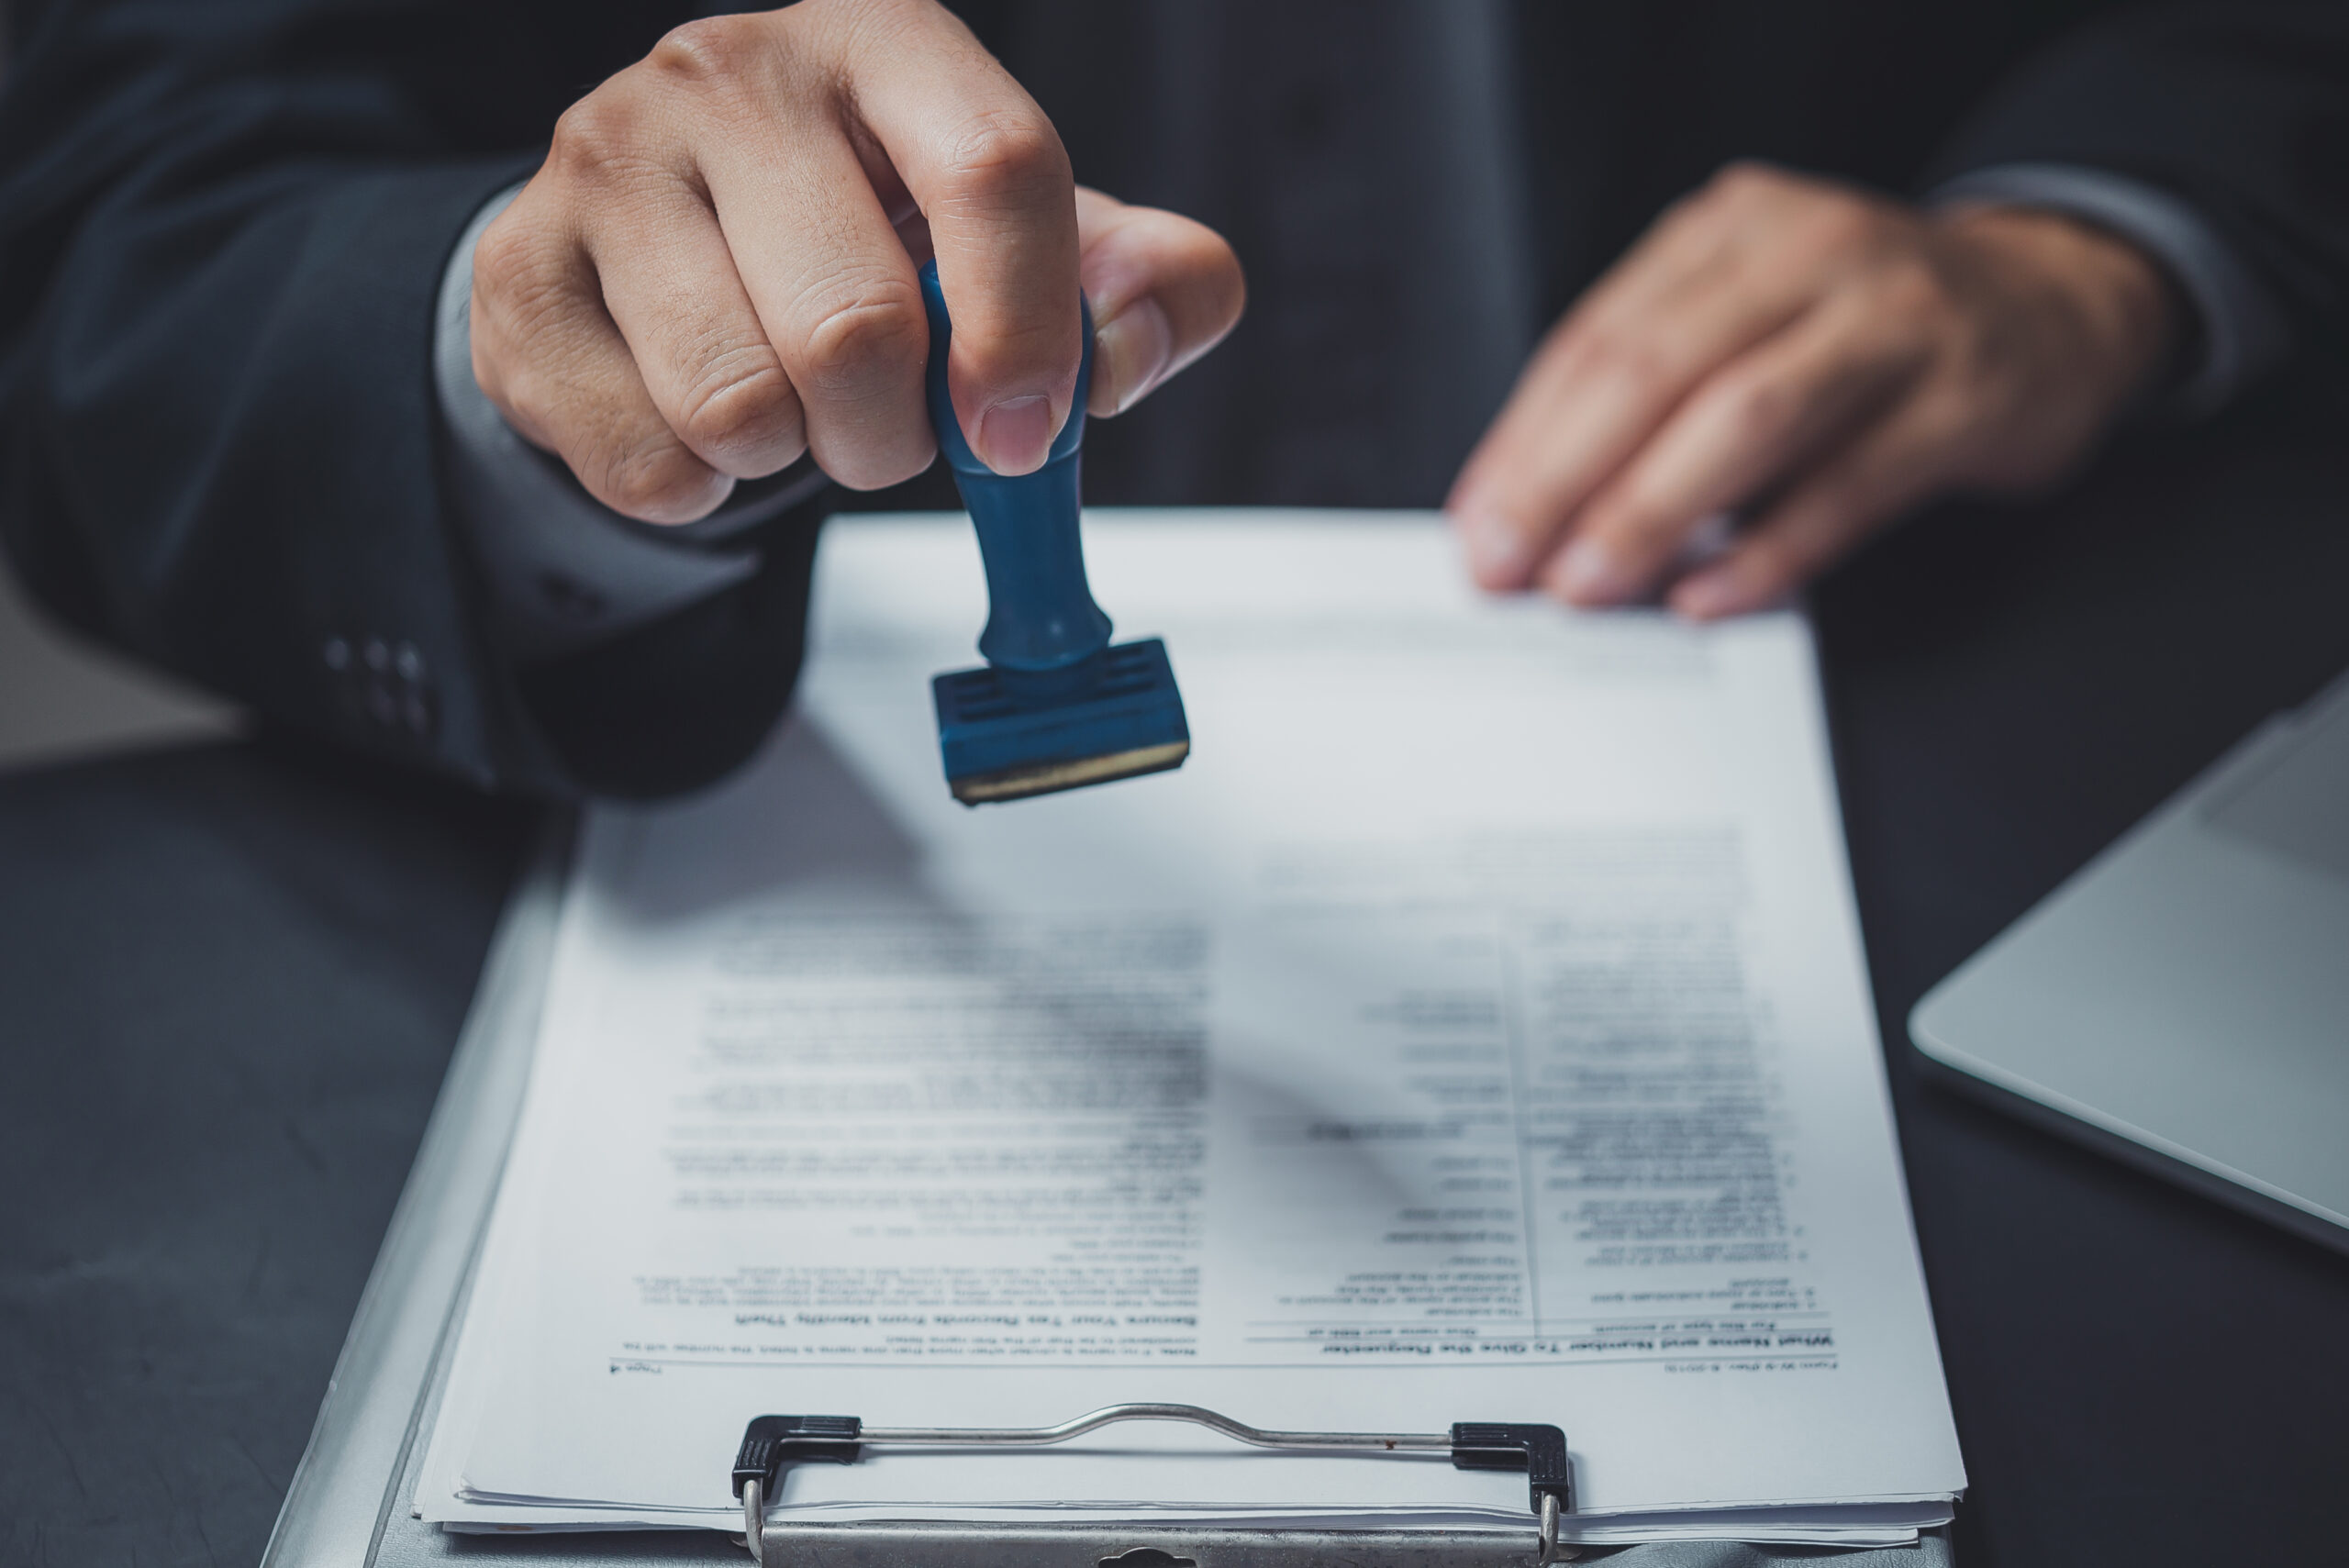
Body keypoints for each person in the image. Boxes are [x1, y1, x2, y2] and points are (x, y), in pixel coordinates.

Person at [2, 0, 2342, 799]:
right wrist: (549, 368)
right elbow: (109, 199)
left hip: (1896, 680)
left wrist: (2095, 234)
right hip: (659, 817)